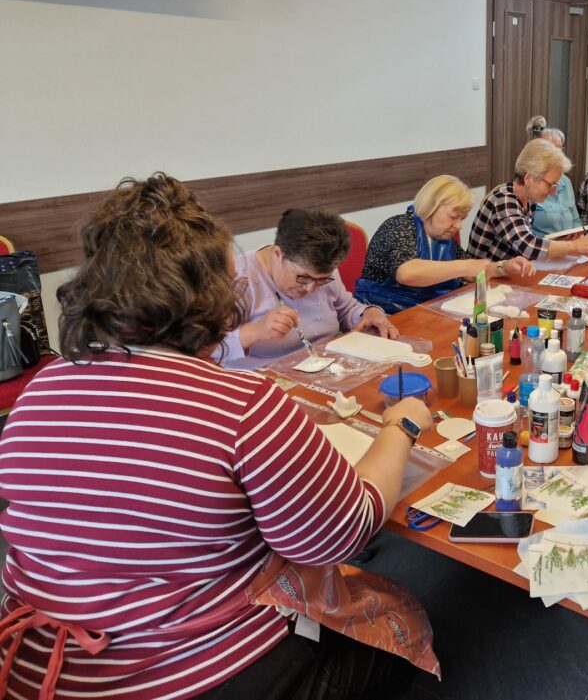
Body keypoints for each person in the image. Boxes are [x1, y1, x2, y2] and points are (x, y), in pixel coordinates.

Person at [0, 174, 437, 699]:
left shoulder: (43, 388)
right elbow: (340, 535)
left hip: (38, 667)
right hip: (186, 673)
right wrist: (401, 426)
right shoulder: (240, 404)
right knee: (403, 616)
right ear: (211, 296)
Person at [218, 209, 398, 371]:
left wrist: (367, 313)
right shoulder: (237, 277)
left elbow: (345, 308)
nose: (311, 288)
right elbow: (206, 351)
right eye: (303, 278)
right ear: (278, 255)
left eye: (322, 280)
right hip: (268, 379)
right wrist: (255, 331)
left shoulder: (323, 266)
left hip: (331, 367)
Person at [355, 175, 534, 313]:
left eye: (462, 219)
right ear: (431, 206)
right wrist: (465, 266)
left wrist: (503, 267)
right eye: (453, 216)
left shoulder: (443, 239)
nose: (458, 226)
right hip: (385, 314)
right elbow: (407, 273)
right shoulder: (399, 227)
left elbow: (472, 271)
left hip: (423, 311)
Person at [468, 138, 588, 261]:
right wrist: (573, 246)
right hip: (482, 279)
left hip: (509, 273)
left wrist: (562, 241)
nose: (554, 191)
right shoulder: (503, 200)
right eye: (550, 185)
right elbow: (528, 246)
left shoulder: (529, 199)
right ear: (528, 178)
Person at [530, 121, 584, 238]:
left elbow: (575, 219)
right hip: (545, 250)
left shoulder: (566, 181)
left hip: (570, 248)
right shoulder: (531, 182)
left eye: (560, 148)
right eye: (552, 148)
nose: (558, 153)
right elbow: (527, 236)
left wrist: (579, 237)